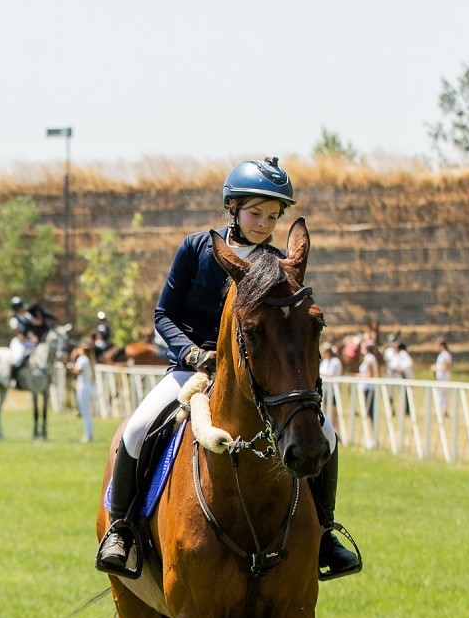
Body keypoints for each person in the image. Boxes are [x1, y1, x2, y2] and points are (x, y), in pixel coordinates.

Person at [95, 157, 361, 580]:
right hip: (191, 371)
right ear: (232, 208)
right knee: (137, 429)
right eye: (256, 213)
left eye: (273, 216)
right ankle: (121, 529)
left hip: (251, 378)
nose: (264, 224)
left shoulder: (277, 263)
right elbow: (164, 314)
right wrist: (191, 354)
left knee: (325, 435)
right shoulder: (196, 248)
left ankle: (325, 532)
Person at [7, 295, 47, 387]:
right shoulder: (14, 320)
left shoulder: (27, 316)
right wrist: (31, 339)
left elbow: (37, 323)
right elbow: (19, 336)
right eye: (22, 306)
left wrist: (38, 311)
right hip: (20, 343)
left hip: (30, 342)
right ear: (17, 308)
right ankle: (13, 379)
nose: (24, 308)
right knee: (18, 359)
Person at [71, 342, 96, 442]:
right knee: (87, 412)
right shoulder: (90, 360)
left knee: (85, 412)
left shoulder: (82, 359)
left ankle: (88, 435)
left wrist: (70, 360)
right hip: (89, 387)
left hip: (83, 388)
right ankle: (89, 434)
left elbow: (77, 371)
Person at [319, 343, 343, 417]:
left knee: (333, 408)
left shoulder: (335, 361)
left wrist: (321, 374)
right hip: (325, 388)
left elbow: (331, 374)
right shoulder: (325, 361)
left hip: (333, 388)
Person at [432, 339, 453, 413]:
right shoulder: (442, 354)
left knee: (441, 393)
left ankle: (440, 410)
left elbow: (446, 366)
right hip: (440, 376)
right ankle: (443, 410)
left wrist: (436, 368)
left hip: (443, 376)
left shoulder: (445, 354)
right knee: (442, 394)